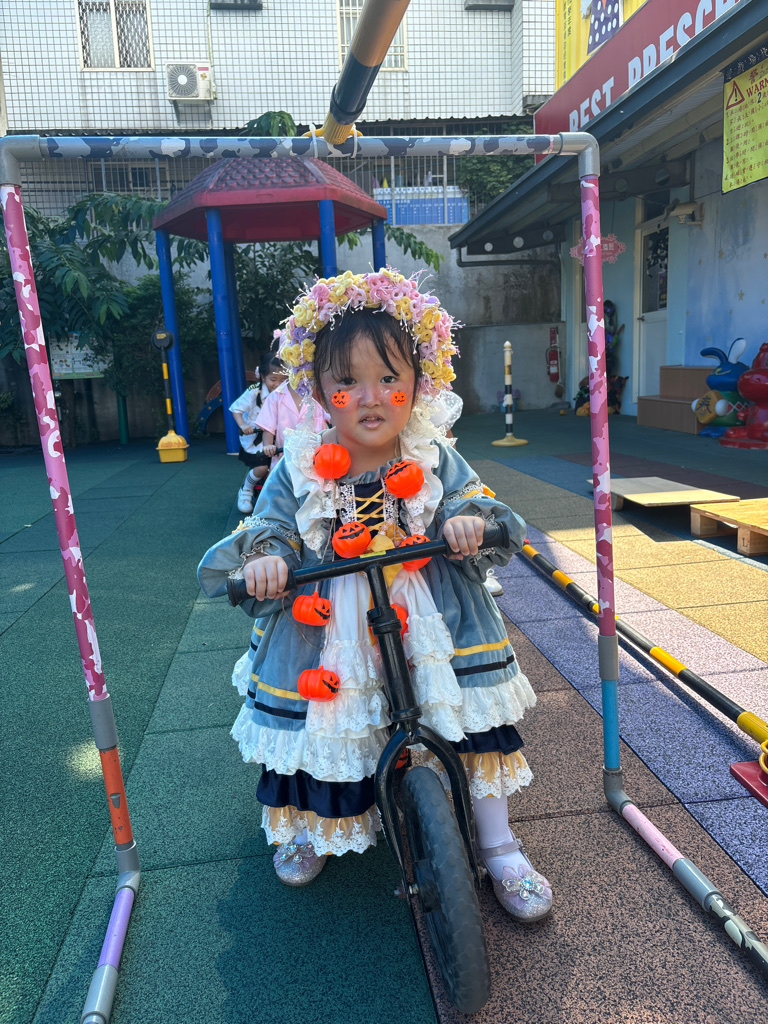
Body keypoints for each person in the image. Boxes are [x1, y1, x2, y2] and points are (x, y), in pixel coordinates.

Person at [198, 270, 552, 920]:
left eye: (390, 378)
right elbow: (272, 526)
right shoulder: (299, 462)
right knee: (323, 721)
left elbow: (470, 498)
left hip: (432, 608)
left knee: (471, 714)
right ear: (318, 391)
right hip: (327, 618)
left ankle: (499, 842)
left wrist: (466, 521)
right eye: (347, 382)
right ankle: (313, 827)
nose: (370, 398)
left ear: (419, 383)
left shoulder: (431, 453)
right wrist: (270, 559)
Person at [230, 354, 285, 514]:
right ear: (262, 376)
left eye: (283, 380)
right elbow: (236, 409)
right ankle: (246, 490)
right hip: (256, 439)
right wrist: (243, 425)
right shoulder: (254, 392)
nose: (278, 384)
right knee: (261, 468)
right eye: (273, 379)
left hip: (277, 437)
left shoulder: (285, 392)